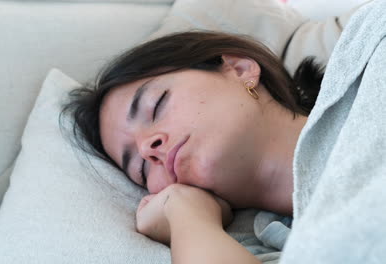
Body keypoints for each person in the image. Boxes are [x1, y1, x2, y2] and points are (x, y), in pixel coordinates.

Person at [61, 1, 386, 262]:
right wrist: (186, 215)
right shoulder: (250, 247)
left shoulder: (370, 53)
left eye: (157, 105)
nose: (149, 147)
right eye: (141, 169)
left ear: (239, 69)